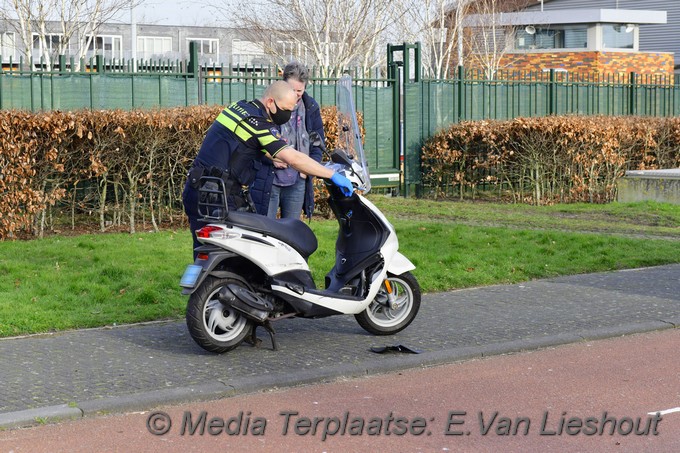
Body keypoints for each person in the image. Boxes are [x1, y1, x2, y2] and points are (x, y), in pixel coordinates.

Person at [182, 81, 353, 255]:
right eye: (285, 109)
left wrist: (273, 154)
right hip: (216, 197)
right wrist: (331, 175)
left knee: (207, 253)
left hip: (198, 188)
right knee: (237, 256)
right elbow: (293, 158)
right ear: (270, 102)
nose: (287, 115)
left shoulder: (239, 108)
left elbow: (242, 145)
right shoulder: (258, 123)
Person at [250, 62, 324, 219]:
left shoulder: (311, 107)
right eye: (292, 90)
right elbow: (254, 144)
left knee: (291, 231)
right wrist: (271, 159)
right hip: (269, 179)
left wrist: (308, 169)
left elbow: (318, 143)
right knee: (265, 231)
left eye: (300, 90)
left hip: (298, 181)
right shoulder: (268, 105)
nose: (296, 94)